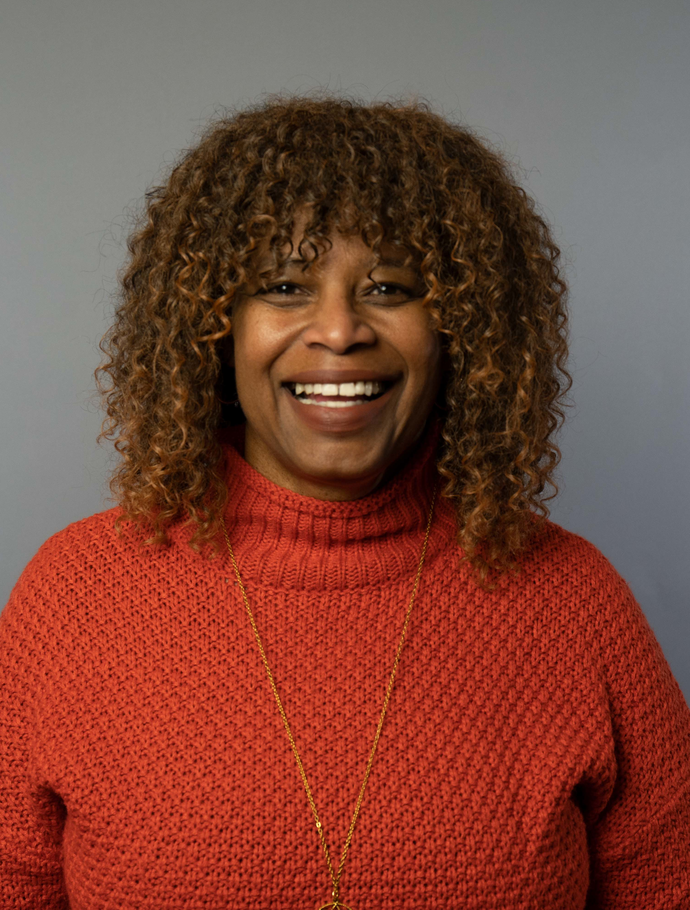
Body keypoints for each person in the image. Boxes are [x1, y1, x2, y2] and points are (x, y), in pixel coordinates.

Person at [1, 94, 688, 910]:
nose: (339, 330)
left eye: (391, 287)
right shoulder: (73, 595)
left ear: (459, 327)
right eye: (284, 284)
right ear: (214, 327)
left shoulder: (575, 601)